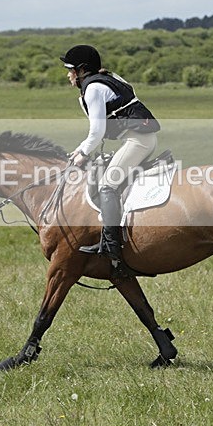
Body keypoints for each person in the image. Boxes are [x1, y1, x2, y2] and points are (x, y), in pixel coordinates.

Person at [60, 44, 161, 279]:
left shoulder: (93, 88)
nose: (68, 75)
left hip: (139, 141)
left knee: (107, 185)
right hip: (139, 138)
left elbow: (97, 131)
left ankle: (111, 245)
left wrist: (83, 153)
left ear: (82, 70)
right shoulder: (107, 78)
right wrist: (78, 151)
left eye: (70, 69)